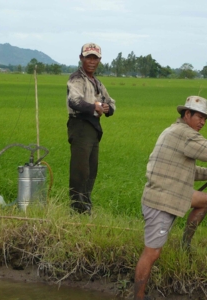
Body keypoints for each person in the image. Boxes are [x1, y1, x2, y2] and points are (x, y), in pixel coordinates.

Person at [133, 96, 207, 300]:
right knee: (152, 253)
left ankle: (185, 244)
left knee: (205, 200)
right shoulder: (185, 135)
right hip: (162, 201)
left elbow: (186, 171)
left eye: (205, 118)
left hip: (170, 193)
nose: (202, 122)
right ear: (187, 115)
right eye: (199, 117)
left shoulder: (173, 132)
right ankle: (138, 297)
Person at [66, 43, 116, 214]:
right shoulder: (76, 79)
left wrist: (108, 109)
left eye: (95, 58)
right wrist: (95, 106)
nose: (92, 61)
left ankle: (85, 205)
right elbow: (74, 101)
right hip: (80, 125)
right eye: (88, 57)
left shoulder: (97, 83)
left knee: (91, 169)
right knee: (81, 169)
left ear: (99, 60)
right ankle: (76, 207)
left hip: (94, 128)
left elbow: (111, 102)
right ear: (81, 58)